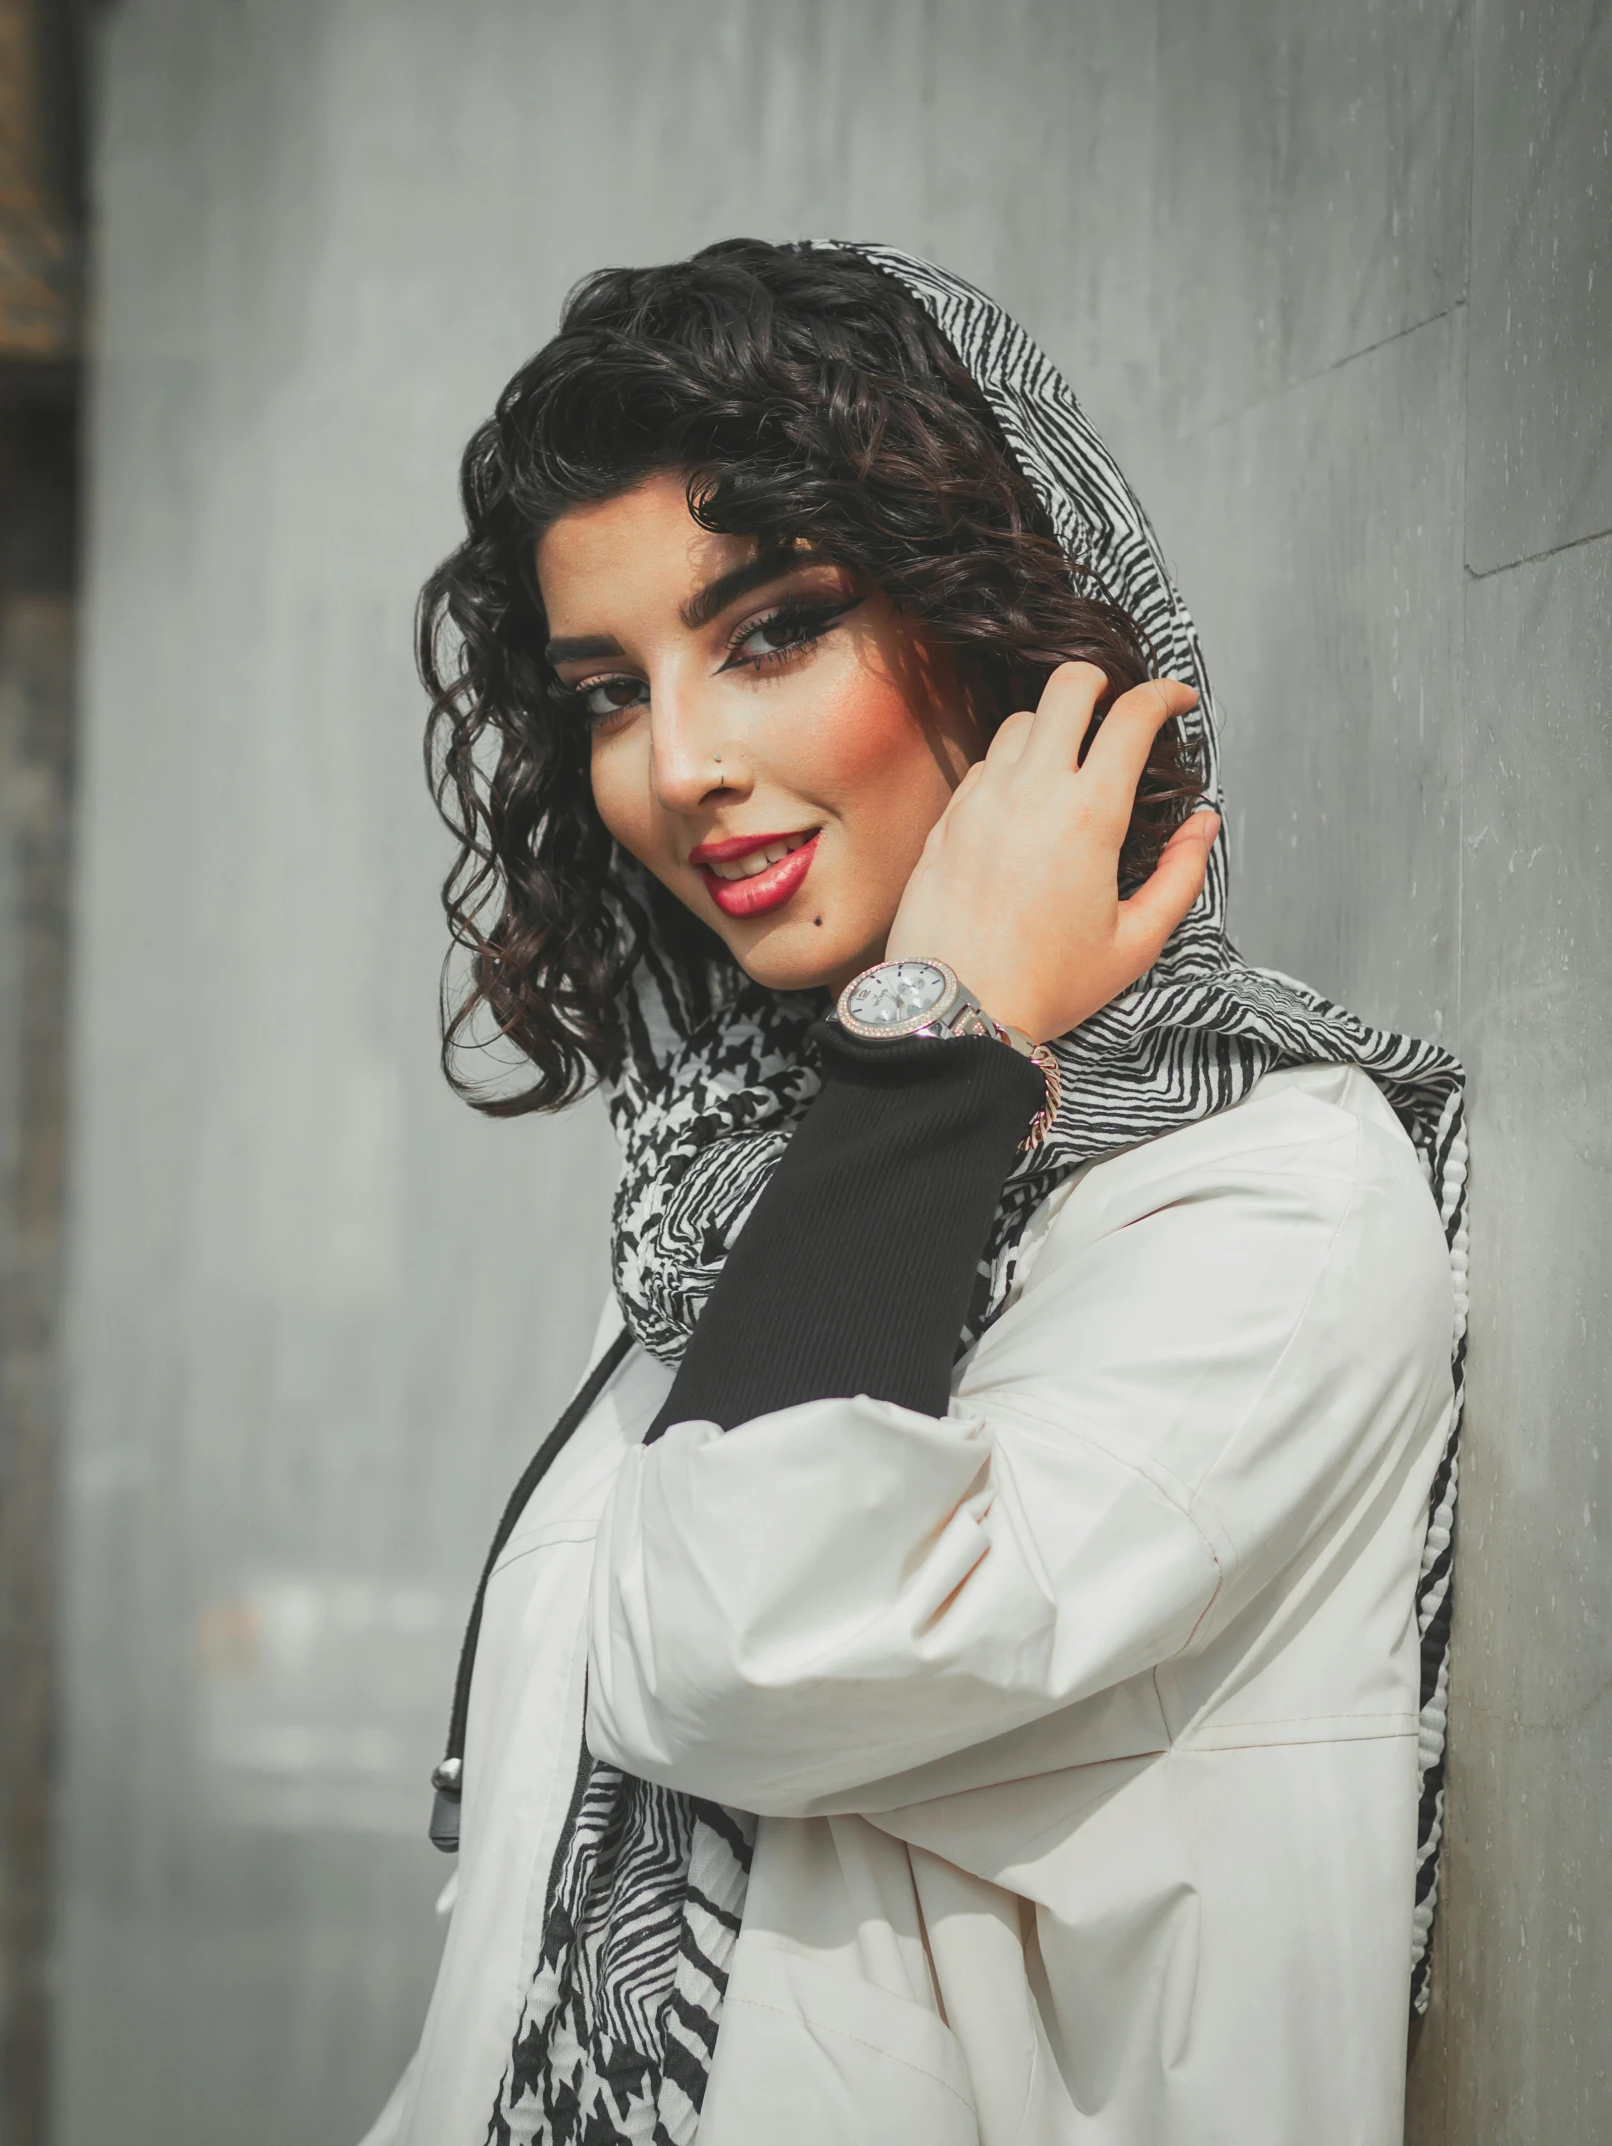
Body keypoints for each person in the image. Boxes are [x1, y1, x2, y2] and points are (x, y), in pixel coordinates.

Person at [363, 242, 1467, 2146]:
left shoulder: (1264, 1208)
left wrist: (941, 1044)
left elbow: (738, 1654)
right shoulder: (747, 1216)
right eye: (612, 691)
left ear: (996, 629)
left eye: (774, 629)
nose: (682, 767)